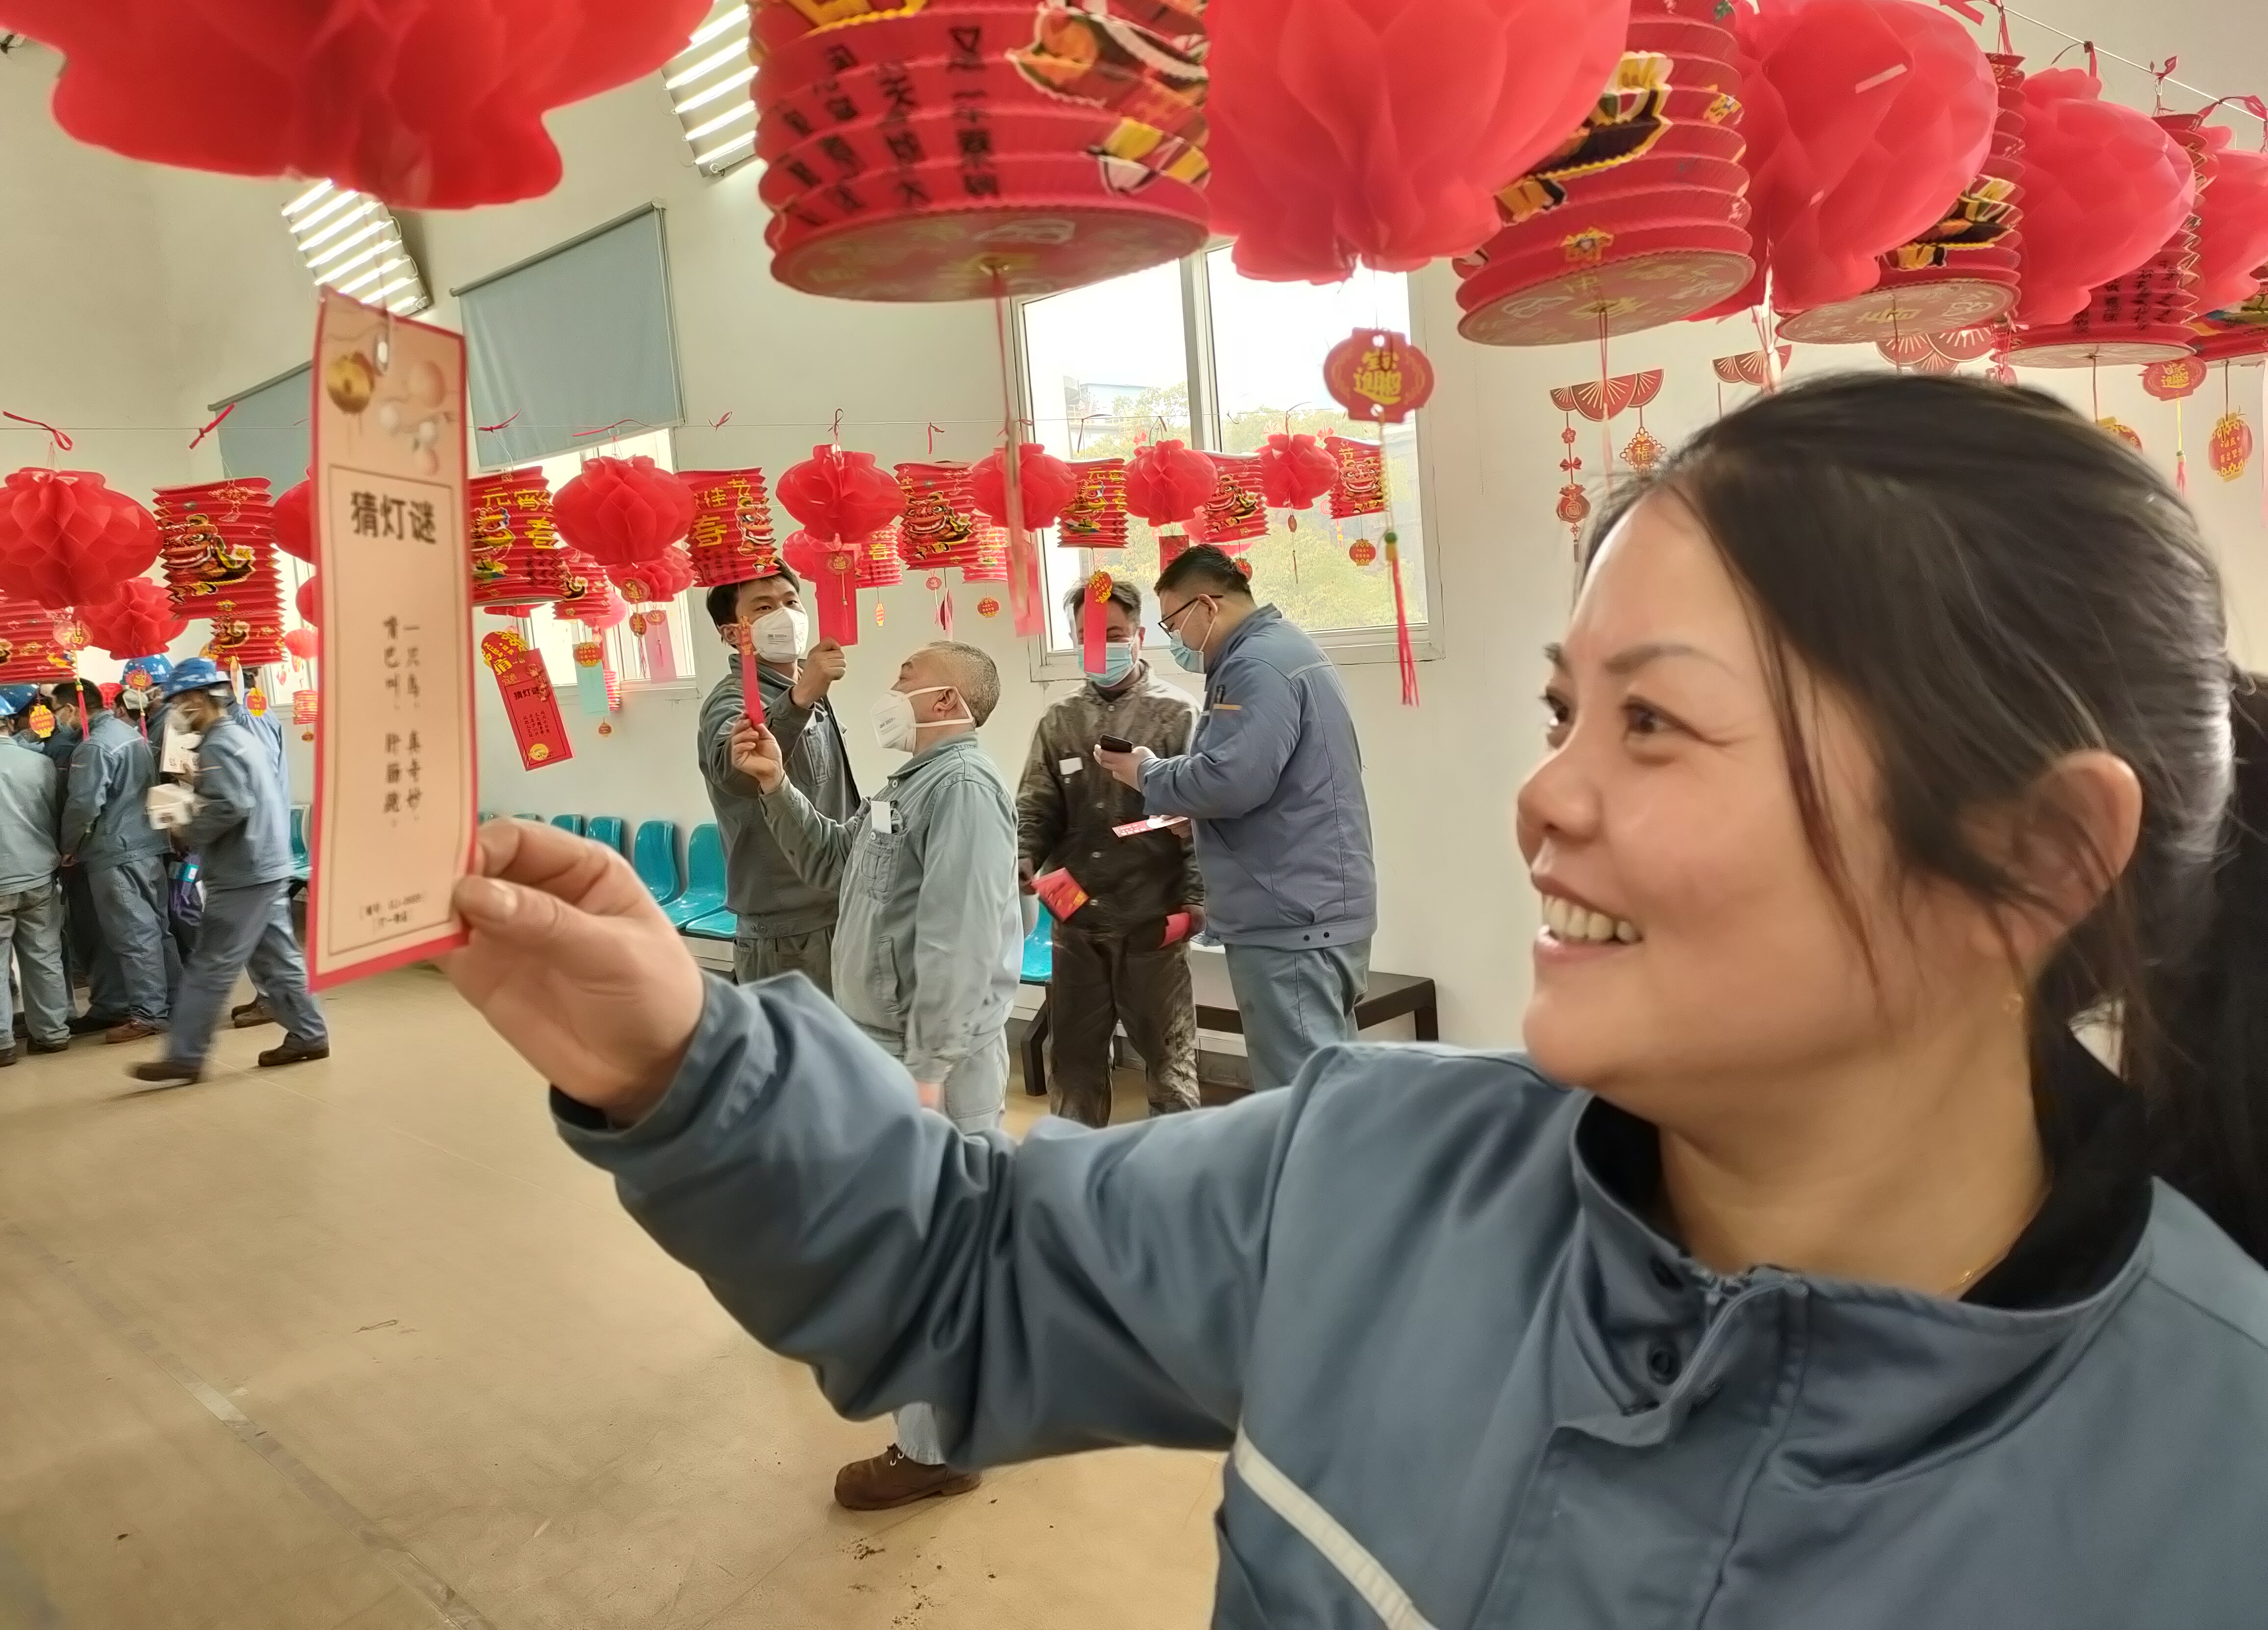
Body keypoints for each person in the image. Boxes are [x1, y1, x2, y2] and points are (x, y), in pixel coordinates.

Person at [446, 374, 2268, 1625]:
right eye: (1561, 711)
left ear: (2032, 856)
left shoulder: (2214, 1480)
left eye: (1653, 721)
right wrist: (676, 1057)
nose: (1542, 795)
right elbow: (964, 1262)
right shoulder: (1371, 1176)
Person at [728, 639, 1019, 1512]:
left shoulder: (962, 790)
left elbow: (961, 942)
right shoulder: (907, 789)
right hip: (895, 1051)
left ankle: (935, 1450)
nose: (890, 686)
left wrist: (925, 1074)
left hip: (926, 1060)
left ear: (947, 700)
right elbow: (832, 864)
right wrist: (776, 786)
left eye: (905, 675)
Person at [1091, 545, 1375, 1090]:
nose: (1176, 639)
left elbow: (1232, 780)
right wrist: (1195, 817)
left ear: (1206, 605)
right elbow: (1274, 781)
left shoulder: (1255, 665)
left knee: (1299, 1091)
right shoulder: (1285, 650)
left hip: (1290, 915)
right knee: (1331, 1084)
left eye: (1173, 623)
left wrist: (1147, 773)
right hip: (1313, 900)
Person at [1017, 577, 1203, 1124]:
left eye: (1115, 633)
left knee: (1171, 1068)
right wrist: (1024, 854)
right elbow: (1035, 805)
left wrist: (1196, 906)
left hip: (1154, 924)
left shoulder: (1179, 715)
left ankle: (1181, 1167)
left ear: (1140, 636)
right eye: (1087, 636)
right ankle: (1072, 1167)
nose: (1101, 646)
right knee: (1073, 1066)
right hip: (1075, 923)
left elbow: (1206, 822)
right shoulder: (1059, 721)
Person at [129, 660, 327, 1085]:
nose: (177, 710)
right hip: (265, 863)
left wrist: (185, 826)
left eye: (180, 701)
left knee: (210, 965)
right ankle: (310, 1034)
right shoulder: (239, 737)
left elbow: (231, 806)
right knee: (278, 960)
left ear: (199, 698)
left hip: (242, 873)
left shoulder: (218, 745)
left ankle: (185, 1055)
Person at [696, 567, 856, 990]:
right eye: (764, 608)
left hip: (838, 905)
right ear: (733, 633)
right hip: (787, 933)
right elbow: (737, 774)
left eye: (790, 602)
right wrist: (800, 699)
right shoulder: (731, 700)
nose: (784, 615)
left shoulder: (804, 685)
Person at [57, 676, 172, 1042]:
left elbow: (83, 805)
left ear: (71, 708)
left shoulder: (94, 747)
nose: (57, 719)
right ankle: (175, 1002)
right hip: (148, 844)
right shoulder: (130, 734)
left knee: (134, 934)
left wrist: (69, 845)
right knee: (158, 930)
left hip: (116, 850)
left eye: (57, 711)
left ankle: (149, 1014)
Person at [226, 663, 294, 1030]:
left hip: (259, 838)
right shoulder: (250, 713)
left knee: (266, 927)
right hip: (261, 835)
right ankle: (269, 994)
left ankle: (275, 1000)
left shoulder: (247, 717)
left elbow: (254, 780)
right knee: (261, 926)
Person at [0, 725, 70, 1063]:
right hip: (38, 873)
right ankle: (52, 1033)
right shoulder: (40, 763)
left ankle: (3, 1043)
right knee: (44, 955)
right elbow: (56, 815)